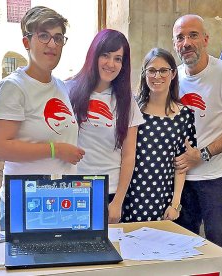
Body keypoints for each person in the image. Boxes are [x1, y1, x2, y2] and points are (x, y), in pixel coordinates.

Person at [0, 6, 85, 230]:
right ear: (26, 42)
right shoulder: (12, 87)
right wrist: (56, 150)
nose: (52, 44)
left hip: (62, 198)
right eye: (43, 36)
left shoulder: (60, 86)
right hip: (26, 202)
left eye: (58, 38)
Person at [172, 14, 222, 251]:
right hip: (181, 179)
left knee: (218, 247)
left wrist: (203, 154)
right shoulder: (172, 76)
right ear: (175, 44)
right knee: (183, 248)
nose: (186, 43)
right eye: (180, 37)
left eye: (193, 35)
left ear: (205, 39)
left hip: (218, 178)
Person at [66, 29, 145, 224]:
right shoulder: (68, 90)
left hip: (108, 192)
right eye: (105, 55)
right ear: (94, 55)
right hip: (72, 189)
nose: (111, 64)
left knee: (107, 252)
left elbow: (128, 156)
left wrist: (117, 202)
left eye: (118, 59)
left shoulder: (127, 102)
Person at [122, 48, 197, 223]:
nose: (157, 76)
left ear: (173, 74)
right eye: (152, 70)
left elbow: (182, 164)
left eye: (163, 70)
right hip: (129, 195)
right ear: (144, 74)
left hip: (162, 199)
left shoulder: (184, 115)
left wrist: (175, 204)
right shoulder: (132, 108)